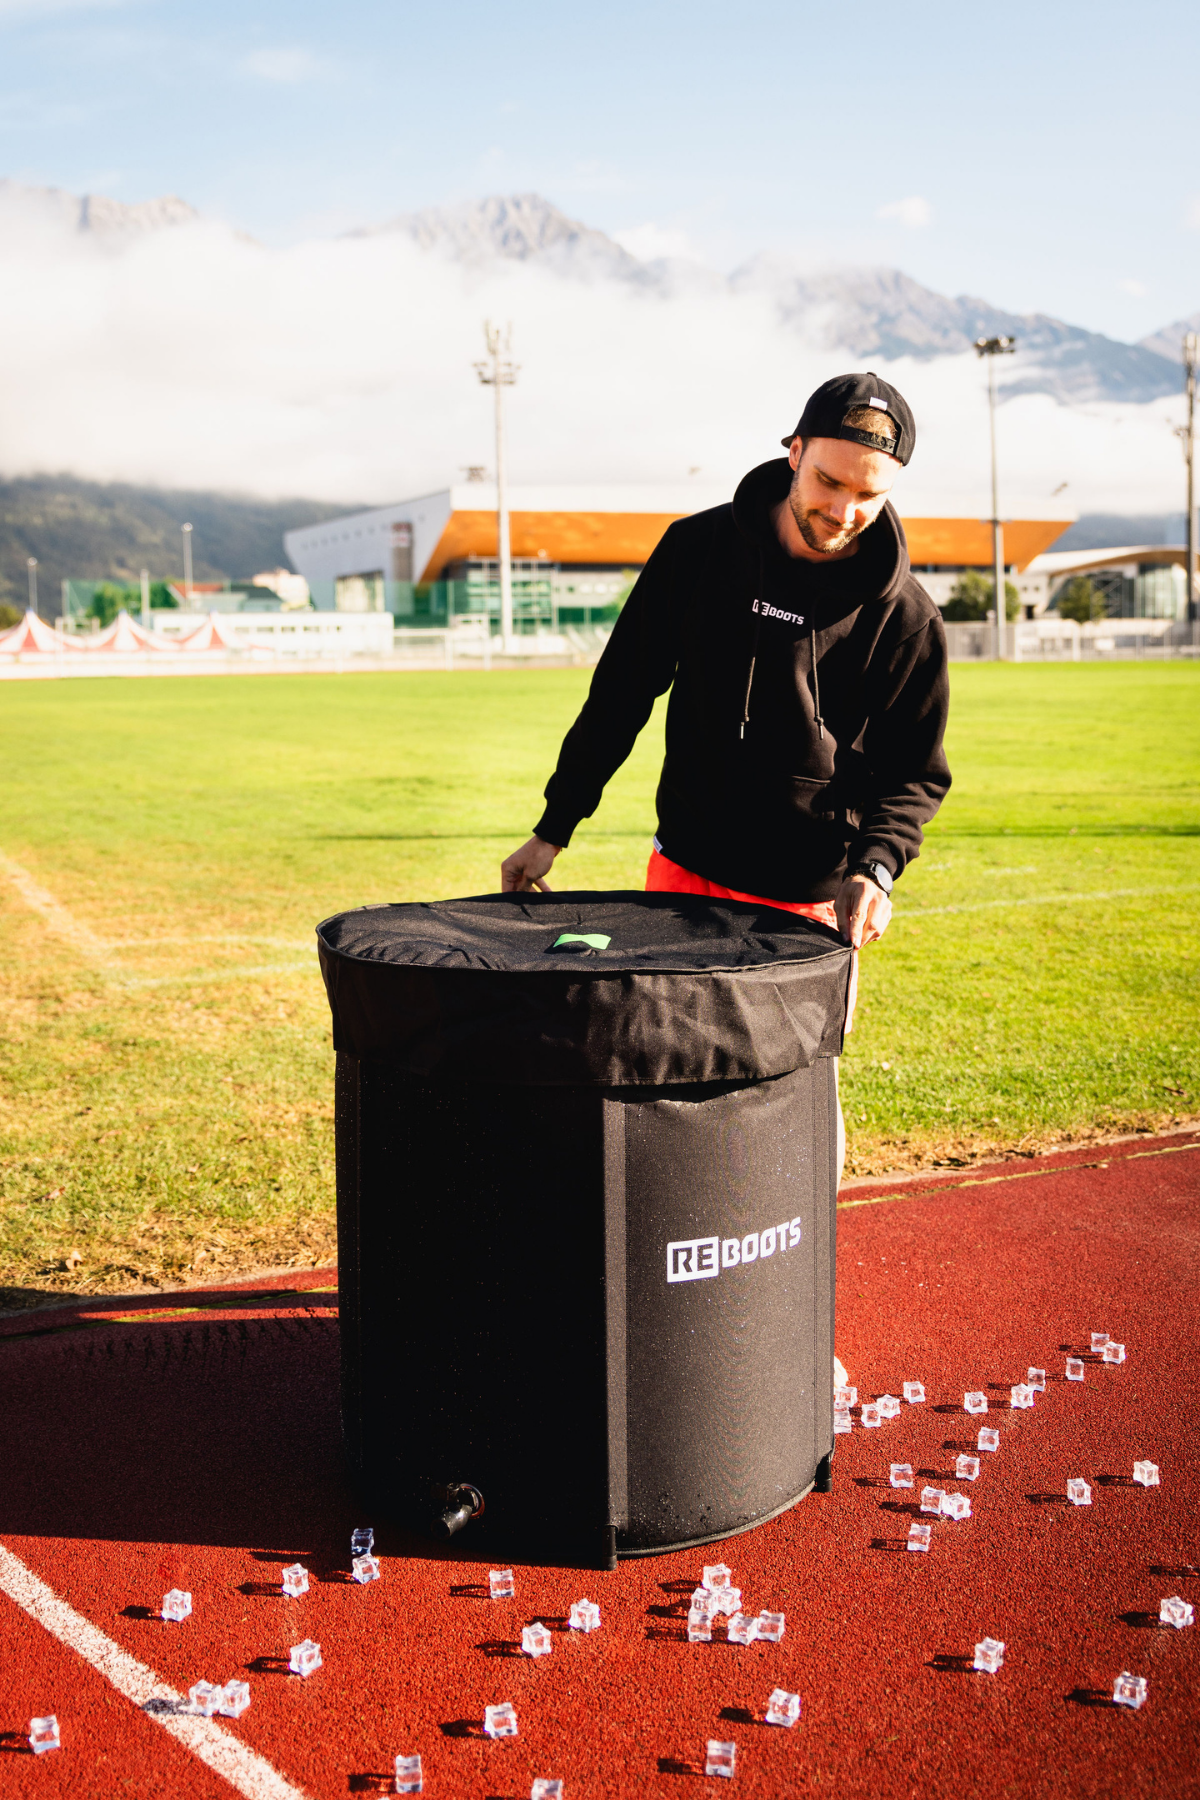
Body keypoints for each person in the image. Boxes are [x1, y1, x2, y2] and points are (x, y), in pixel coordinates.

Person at [501, 371, 952, 1197]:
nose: (843, 510)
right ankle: (674, 1261)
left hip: (807, 896)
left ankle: (791, 1268)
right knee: (664, 1075)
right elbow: (621, 693)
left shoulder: (907, 617)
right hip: (683, 870)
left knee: (796, 1092)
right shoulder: (698, 550)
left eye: (867, 494)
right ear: (793, 453)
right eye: (828, 480)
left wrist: (877, 867)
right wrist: (555, 823)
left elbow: (914, 773)